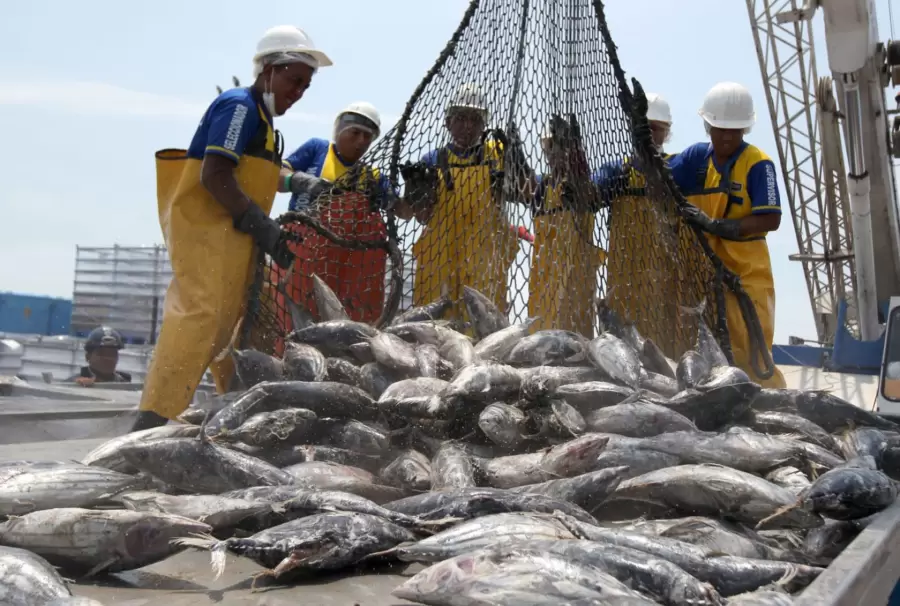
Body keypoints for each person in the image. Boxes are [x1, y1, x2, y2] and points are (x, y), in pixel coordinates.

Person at [131, 25, 332, 432]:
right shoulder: (239, 106)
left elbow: (256, 172)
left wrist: (296, 181)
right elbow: (216, 173)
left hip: (235, 238)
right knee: (202, 319)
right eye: (294, 80)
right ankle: (150, 422)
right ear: (270, 70)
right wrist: (262, 226)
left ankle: (237, 415)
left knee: (238, 326)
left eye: (305, 86)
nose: (298, 92)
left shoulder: (265, 121)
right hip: (207, 233)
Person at [668, 81, 787, 388]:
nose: (727, 137)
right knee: (698, 353)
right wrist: (644, 144)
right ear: (708, 125)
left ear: (745, 129)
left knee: (750, 350)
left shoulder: (758, 164)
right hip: (702, 276)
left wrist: (716, 225)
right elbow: (660, 171)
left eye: (735, 131)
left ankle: (766, 404)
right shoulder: (696, 160)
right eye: (720, 129)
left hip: (746, 276)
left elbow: (771, 218)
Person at [395, 83, 534, 324]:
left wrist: (518, 159)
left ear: (484, 125)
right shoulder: (433, 160)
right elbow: (417, 216)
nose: (468, 126)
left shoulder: (497, 154)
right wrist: (415, 194)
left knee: (483, 329)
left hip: (485, 260)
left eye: (475, 119)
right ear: (448, 122)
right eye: (461, 118)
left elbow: (528, 193)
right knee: (434, 329)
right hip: (440, 260)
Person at [594, 93, 693, 357]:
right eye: (642, 127)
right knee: (621, 355)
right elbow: (590, 194)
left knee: (661, 356)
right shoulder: (616, 171)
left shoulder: (677, 167)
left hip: (664, 287)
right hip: (622, 284)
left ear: (667, 132)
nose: (648, 134)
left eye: (655, 129)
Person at [274, 102, 390, 328]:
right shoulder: (317, 149)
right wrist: (301, 181)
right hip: (301, 250)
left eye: (367, 137)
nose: (361, 141)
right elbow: (276, 175)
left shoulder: (373, 176)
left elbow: (403, 212)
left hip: (347, 263)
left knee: (345, 322)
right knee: (293, 315)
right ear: (339, 129)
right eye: (355, 133)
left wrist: (413, 192)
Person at [528, 114, 605, 335]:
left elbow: (586, 193)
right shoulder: (541, 188)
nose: (556, 154)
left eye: (562, 147)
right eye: (550, 148)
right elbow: (523, 186)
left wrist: (578, 160)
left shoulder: (582, 187)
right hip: (544, 288)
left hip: (575, 287)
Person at [66, 326, 131, 386]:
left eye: (112, 354)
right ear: (88, 356)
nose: (108, 359)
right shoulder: (72, 385)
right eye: (102, 354)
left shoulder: (125, 384)